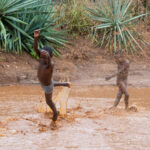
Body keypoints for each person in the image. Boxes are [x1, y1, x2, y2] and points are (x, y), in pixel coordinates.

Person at [34, 30, 71, 128]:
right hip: (43, 82)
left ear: (49, 57)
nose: (42, 57)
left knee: (48, 101)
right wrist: (36, 38)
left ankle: (56, 112)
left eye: (45, 56)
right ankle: (65, 84)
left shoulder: (50, 64)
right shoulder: (41, 58)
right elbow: (35, 48)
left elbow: (50, 62)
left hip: (47, 86)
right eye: (42, 55)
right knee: (51, 82)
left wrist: (48, 58)